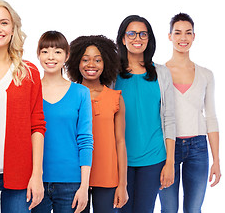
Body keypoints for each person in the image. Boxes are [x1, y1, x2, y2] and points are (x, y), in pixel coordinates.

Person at [0, 0, 46, 213]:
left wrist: (36, 174)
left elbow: (37, 126)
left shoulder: (29, 72)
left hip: (20, 175)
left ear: (13, 29)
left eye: (4, 22)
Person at [159, 13, 221, 213]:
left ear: (194, 36)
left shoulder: (205, 74)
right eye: (177, 33)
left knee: (194, 209)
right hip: (167, 148)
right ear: (169, 36)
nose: (183, 38)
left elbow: (210, 117)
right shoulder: (159, 72)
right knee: (168, 209)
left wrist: (216, 160)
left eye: (188, 33)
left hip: (198, 148)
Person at [114, 15, 176, 213]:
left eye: (142, 34)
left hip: (153, 157)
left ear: (149, 39)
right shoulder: (112, 74)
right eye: (131, 33)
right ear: (123, 39)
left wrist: (170, 162)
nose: (137, 38)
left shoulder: (162, 73)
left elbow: (169, 118)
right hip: (119, 159)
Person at [31, 31, 93, 213]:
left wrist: (84, 186)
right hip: (36, 180)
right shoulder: (30, 90)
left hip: (71, 183)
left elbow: (86, 140)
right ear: (38, 55)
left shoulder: (81, 93)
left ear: (66, 56)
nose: (51, 57)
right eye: (45, 51)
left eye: (57, 51)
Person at [66, 35, 128, 213]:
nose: (91, 64)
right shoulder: (69, 95)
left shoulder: (116, 98)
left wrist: (122, 184)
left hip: (107, 176)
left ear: (106, 63)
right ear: (77, 62)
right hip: (75, 176)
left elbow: (120, 142)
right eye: (85, 59)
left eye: (97, 60)